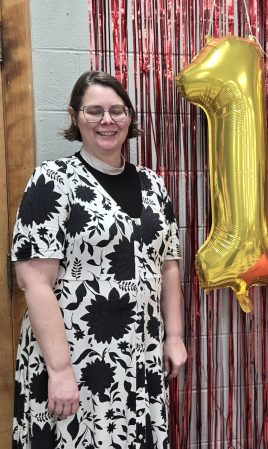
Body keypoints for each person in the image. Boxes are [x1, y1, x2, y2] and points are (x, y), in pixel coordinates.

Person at [11, 71, 187, 448]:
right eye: (95, 111)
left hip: (141, 358)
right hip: (74, 362)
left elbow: (169, 265)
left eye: (117, 110)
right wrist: (59, 370)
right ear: (76, 117)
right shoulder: (53, 181)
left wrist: (173, 337)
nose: (107, 121)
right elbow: (34, 282)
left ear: (130, 117)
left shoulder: (153, 185)